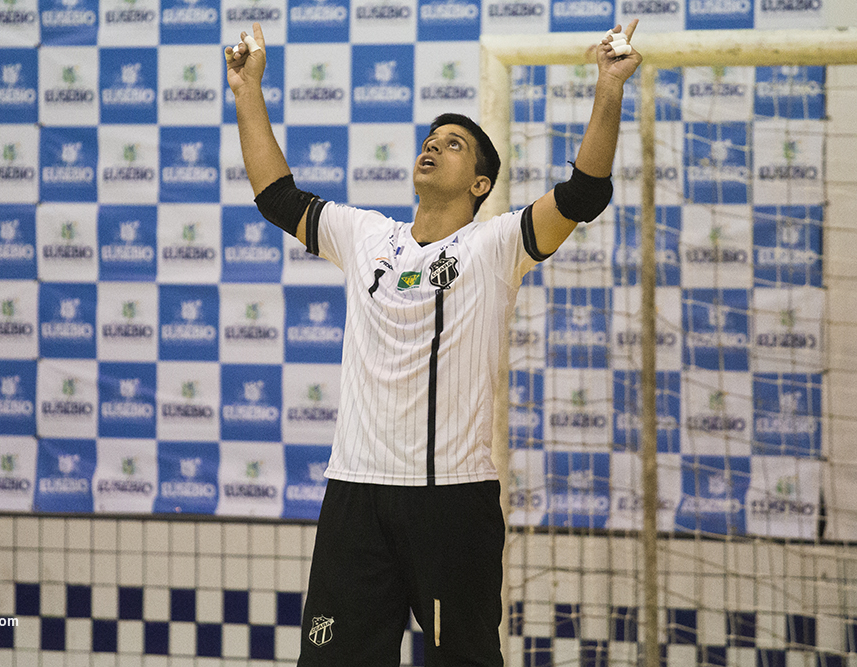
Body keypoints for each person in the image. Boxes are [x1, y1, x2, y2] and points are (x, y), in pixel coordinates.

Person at [226, 21, 643, 666]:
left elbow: (584, 193)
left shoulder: (496, 244)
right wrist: (247, 89)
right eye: (430, 140)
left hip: (451, 501)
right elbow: (277, 198)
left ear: (480, 183)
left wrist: (609, 88)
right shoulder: (366, 236)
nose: (433, 147)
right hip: (355, 495)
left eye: (453, 145)